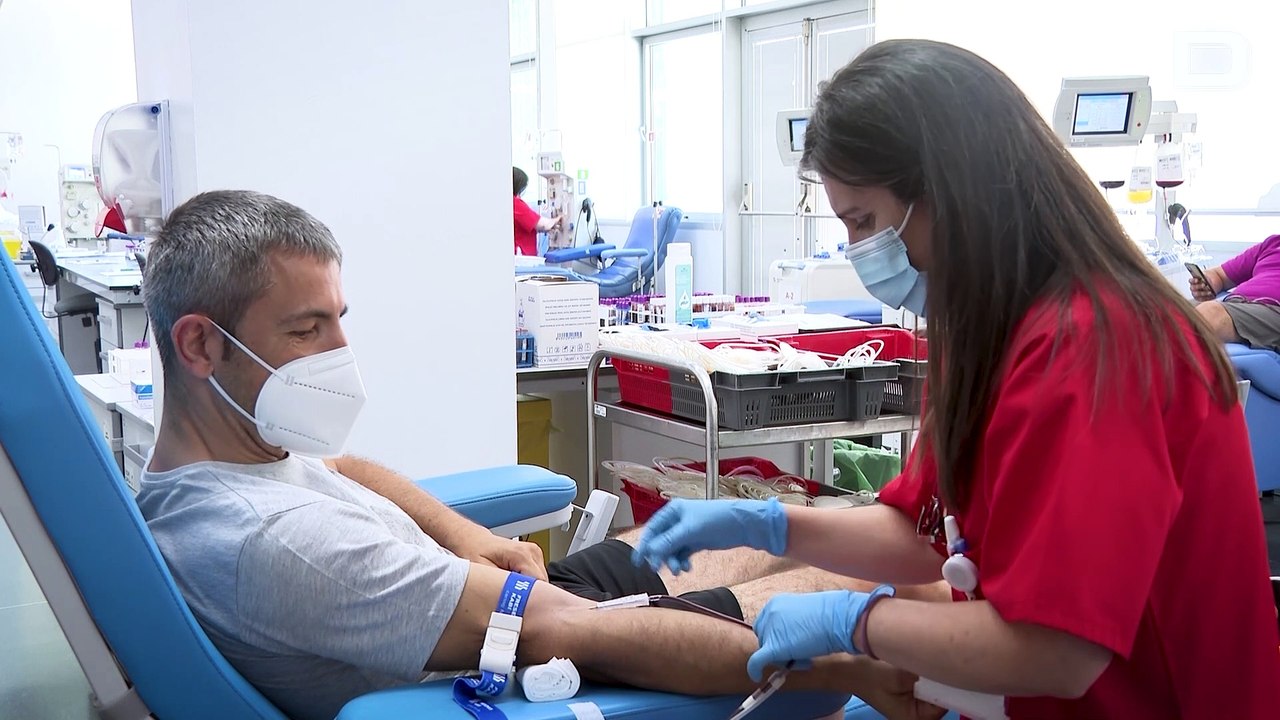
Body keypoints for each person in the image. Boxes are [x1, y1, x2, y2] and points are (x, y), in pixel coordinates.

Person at [632, 40, 1280, 719]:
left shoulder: (1097, 345)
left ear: (947, 189)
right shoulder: (982, 325)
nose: (859, 251)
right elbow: (923, 530)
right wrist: (762, 524)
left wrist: (855, 621)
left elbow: (1056, 648)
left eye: (865, 221)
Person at [136, 189, 946, 720]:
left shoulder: (234, 459)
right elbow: (560, 630)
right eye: (307, 330)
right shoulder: (272, 545)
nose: (341, 352)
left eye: (339, 319)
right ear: (203, 344)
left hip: (500, 594)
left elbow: (343, 472)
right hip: (527, 651)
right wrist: (837, 670)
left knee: (768, 532)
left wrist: (464, 536)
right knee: (874, 581)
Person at [1189, 234, 1280, 349]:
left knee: (1210, 314)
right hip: (1236, 304)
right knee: (1169, 306)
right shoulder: (1273, 244)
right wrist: (1206, 283)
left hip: (1273, 310)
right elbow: (1219, 275)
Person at [513, 166, 559, 255]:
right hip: (522, 261)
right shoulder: (515, 203)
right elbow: (544, 225)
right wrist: (559, 218)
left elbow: (523, 226)